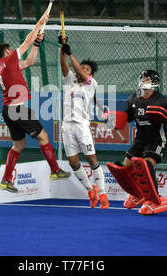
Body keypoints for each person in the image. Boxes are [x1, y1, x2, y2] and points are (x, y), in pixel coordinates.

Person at [0, 12, 71, 193]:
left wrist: (37, 43)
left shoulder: (4, 67)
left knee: (19, 145)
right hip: (17, 110)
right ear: (6, 52)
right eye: (11, 50)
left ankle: (6, 180)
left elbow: (29, 61)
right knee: (43, 137)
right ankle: (55, 170)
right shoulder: (9, 59)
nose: (14, 51)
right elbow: (26, 42)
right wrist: (40, 22)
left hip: (8, 110)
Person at [120, 70, 167, 214]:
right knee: (126, 167)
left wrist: (162, 114)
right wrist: (113, 119)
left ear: (154, 83)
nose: (144, 81)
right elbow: (126, 118)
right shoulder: (134, 98)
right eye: (143, 78)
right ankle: (138, 194)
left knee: (145, 166)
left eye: (147, 79)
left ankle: (155, 199)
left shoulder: (162, 100)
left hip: (157, 139)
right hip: (140, 139)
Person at [59, 35, 109, 209]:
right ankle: (90, 190)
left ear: (91, 74)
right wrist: (62, 48)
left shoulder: (91, 83)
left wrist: (70, 53)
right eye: (83, 67)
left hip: (82, 126)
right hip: (67, 126)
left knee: (91, 158)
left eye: (87, 69)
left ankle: (102, 193)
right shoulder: (70, 79)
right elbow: (64, 65)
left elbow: (77, 69)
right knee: (73, 162)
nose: (83, 70)